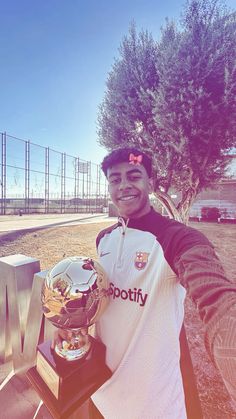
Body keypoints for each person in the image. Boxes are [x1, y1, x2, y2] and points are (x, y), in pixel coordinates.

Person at [54, 147, 236, 418]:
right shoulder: (104, 238)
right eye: (115, 179)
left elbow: (216, 297)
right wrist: (74, 327)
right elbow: (103, 298)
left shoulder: (178, 239)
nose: (124, 185)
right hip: (102, 391)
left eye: (134, 175)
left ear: (150, 182)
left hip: (154, 402)